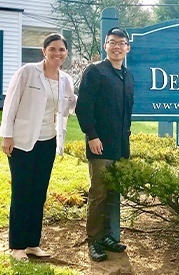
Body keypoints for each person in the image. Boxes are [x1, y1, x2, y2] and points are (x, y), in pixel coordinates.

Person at [0, 33, 76, 261]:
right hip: (22, 141)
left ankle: (33, 243)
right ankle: (17, 246)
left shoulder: (66, 79)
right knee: (22, 192)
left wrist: (79, 103)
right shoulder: (27, 72)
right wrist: (7, 136)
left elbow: (68, 106)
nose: (57, 53)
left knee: (38, 193)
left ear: (66, 53)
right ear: (44, 51)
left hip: (47, 141)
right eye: (52, 49)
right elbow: (11, 103)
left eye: (61, 49)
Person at [75, 27, 134, 262]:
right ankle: (94, 241)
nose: (117, 46)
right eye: (112, 42)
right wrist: (92, 135)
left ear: (127, 47)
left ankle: (109, 236)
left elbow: (126, 111)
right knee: (98, 193)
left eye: (121, 43)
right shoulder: (95, 72)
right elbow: (84, 108)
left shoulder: (127, 76)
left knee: (112, 192)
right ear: (105, 46)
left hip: (120, 144)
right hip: (100, 144)